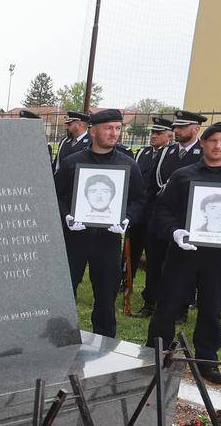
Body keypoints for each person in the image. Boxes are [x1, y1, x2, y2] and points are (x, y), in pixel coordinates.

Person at [147, 121, 221, 384]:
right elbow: (163, 210)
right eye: (212, 141)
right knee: (168, 304)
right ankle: (156, 353)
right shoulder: (183, 175)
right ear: (202, 143)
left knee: (212, 307)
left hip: (220, 256)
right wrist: (175, 232)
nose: (217, 146)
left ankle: (206, 361)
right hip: (184, 251)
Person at [57, 109, 134, 337]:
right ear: (93, 131)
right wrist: (66, 216)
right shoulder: (72, 162)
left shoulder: (127, 164)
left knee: (106, 296)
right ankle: (59, 337)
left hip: (108, 240)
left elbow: (139, 198)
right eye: (108, 128)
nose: (114, 133)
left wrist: (128, 217)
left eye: (118, 128)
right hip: (75, 238)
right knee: (65, 291)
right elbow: (56, 194)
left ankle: (105, 344)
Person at [138, 109, 207, 318]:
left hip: (187, 218)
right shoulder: (166, 152)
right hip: (161, 217)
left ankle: (181, 308)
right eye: (176, 127)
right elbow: (153, 186)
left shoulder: (202, 153)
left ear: (195, 129)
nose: (176, 130)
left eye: (182, 127)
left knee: (183, 267)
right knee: (155, 262)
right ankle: (151, 301)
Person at [128, 115, 172, 310]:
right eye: (152, 132)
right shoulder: (143, 153)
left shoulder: (170, 154)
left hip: (157, 215)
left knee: (155, 258)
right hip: (139, 212)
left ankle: (152, 296)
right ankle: (126, 282)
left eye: (158, 133)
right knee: (130, 252)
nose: (153, 136)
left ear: (169, 136)